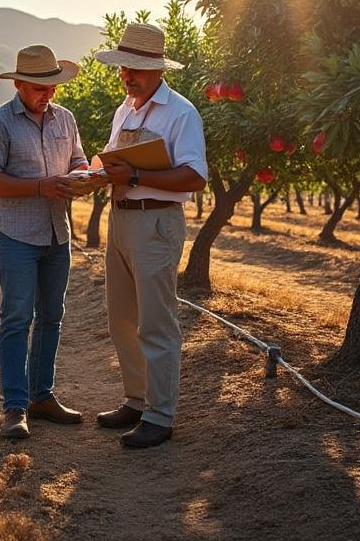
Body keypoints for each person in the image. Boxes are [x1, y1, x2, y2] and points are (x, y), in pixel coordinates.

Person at [92, 22, 207, 448]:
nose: (128, 75)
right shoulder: (125, 109)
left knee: (156, 323)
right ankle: (137, 400)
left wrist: (137, 173)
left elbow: (194, 176)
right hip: (120, 218)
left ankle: (161, 416)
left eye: (136, 68)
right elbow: (113, 162)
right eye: (124, 67)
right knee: (122, 317)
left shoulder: (180, 112)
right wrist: (92, 174)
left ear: (158, 69)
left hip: (156, 221)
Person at [0, 44, 89, 440]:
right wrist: (41, 186)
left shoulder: (66, 119)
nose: (49, 93)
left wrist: (82, 177)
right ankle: (14, 407)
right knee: (16, 318)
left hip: (58, 234)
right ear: (20, 84)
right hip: (17, 236)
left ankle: (42, 396)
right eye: (40, 87)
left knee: (52, 316)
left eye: (53, 86)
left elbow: (78, 160)